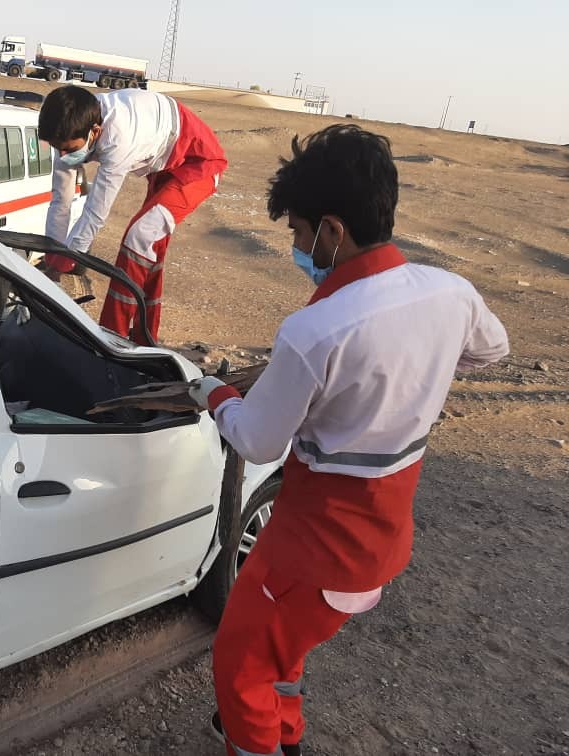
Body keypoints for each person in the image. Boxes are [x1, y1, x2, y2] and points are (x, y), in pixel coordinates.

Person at [188, 124, 508, 756]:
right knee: (286, 647)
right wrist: (426, 367)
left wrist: (214, 395)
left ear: (332, 231)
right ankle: (289, 734)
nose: (299, 246)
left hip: (312, 549)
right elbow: (492, 351)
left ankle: (258, 743)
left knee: (240, 663)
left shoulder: (317, 330)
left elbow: (255, 441)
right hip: (381, 540)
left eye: (300, 233)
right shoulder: (450, 292)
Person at [39, 86, 227, 344]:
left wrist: (62, 266)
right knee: (150, 252)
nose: (62, 156)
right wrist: (52, 256)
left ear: (95, 132)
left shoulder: (118, 137)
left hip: (199, 161)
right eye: (56, 148)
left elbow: (94, 214)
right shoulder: (71, 129)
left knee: (139, 236)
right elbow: (61, 202)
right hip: (162, 163)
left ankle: (112, 337)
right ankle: (145, 339)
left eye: (69, 150)